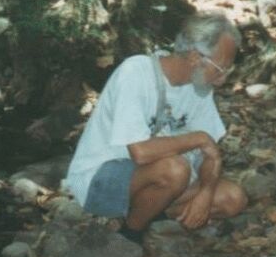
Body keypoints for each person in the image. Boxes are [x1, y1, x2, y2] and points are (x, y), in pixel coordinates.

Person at [65, 12, 247, 243]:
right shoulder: (136, 72)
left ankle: (149, 211)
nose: (223, 79)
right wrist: (199, 138)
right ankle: (130, 236)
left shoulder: (198, 88)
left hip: (155, 178)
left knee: (232, 198)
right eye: (220, 69)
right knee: (174, 169)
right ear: (194, 57)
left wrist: (206, 192)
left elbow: (209, 154)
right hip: (99, 183)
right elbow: (140, 152)